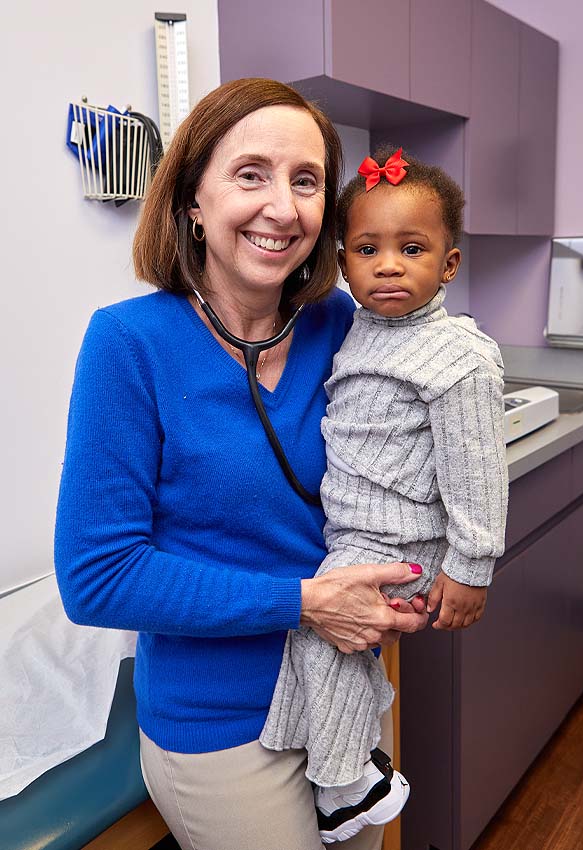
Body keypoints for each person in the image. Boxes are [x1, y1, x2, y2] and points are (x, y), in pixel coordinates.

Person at [54, 81, 429, 850]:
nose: (283, 207)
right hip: (223, 726)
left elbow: (399, 468)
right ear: (193, 198)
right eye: (250, 174)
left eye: (306, 180)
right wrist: (304, 602)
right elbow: (97, 576)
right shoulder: (129, 345)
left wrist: (422, 575)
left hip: (344, 693)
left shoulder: (340, 325)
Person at [260, 147, 509, 844]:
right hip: (358, 534)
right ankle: (340, 758)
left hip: (404, 544)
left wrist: (471, 568)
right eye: (368, 249)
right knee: (313, 634)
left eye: (412, 248)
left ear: (449, 265)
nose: (389, 264)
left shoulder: (456, 355)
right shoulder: (359, 330)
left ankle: (345, 786)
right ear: (343, 264)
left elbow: (478, 472)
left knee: (321, 632)